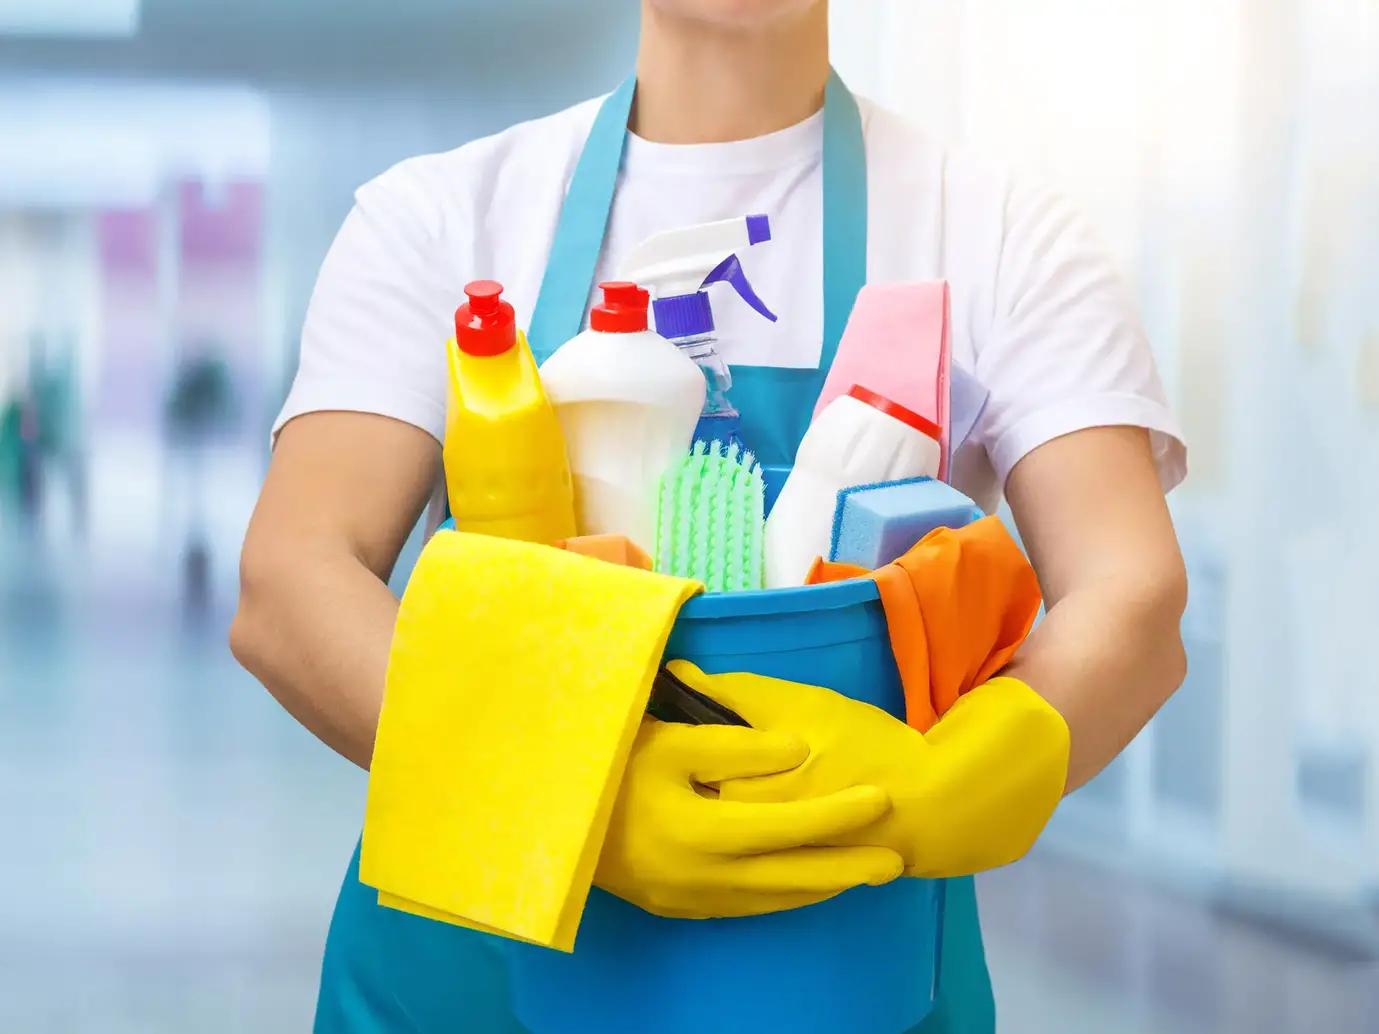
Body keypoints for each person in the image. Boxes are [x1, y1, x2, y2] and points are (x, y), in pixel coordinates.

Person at [231, 1, 1189, 1030]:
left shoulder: (999, 231)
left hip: (840, 959)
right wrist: (564, 784)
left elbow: (1126, 589)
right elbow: (293, 576)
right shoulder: (444, 213)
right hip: (472, 966)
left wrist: (963, 772)